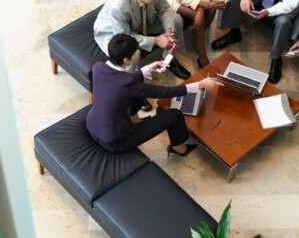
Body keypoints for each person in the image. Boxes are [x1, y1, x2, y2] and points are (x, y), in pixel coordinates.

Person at [86, 34, 223, 154]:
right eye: (135, 53)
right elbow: (168, 92)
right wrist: (201, 85)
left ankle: (135, 120)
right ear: (126, 60)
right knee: (174, 115)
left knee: (134, 95)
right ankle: (179, 148)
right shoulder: (128, 84)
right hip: (115, 142)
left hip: (92, 126)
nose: (137, 54)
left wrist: (146, 69)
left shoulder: (98, 67)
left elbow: (121, 82)